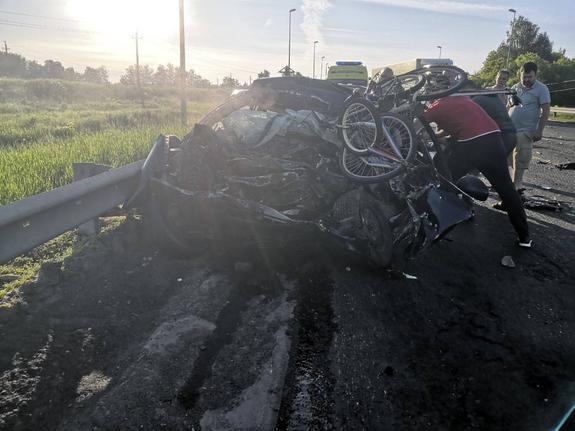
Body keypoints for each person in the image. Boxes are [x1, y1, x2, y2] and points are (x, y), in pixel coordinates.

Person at [423, 95, 531, 248]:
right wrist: (435, 136)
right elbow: (454, 131)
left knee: (444, 180)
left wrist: (423, 134)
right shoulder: (463, 100)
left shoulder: (436, 106)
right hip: (495, 139)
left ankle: (438, 226)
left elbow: (417, 124)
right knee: (507, 189)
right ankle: (524, 237)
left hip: (471, 145)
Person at [508, 62, 551, 192]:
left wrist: (539, 130)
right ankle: (512, 184)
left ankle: (517, 187)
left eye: (529, 77)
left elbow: (546, 110)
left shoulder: (541, 89)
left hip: (526, 131)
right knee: (509, 158)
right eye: (524, 77)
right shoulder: (515, 87)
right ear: (520, 75)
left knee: (520, 158)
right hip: (510, 129)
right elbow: (508, 107)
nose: (526, 80)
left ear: (535, 75)